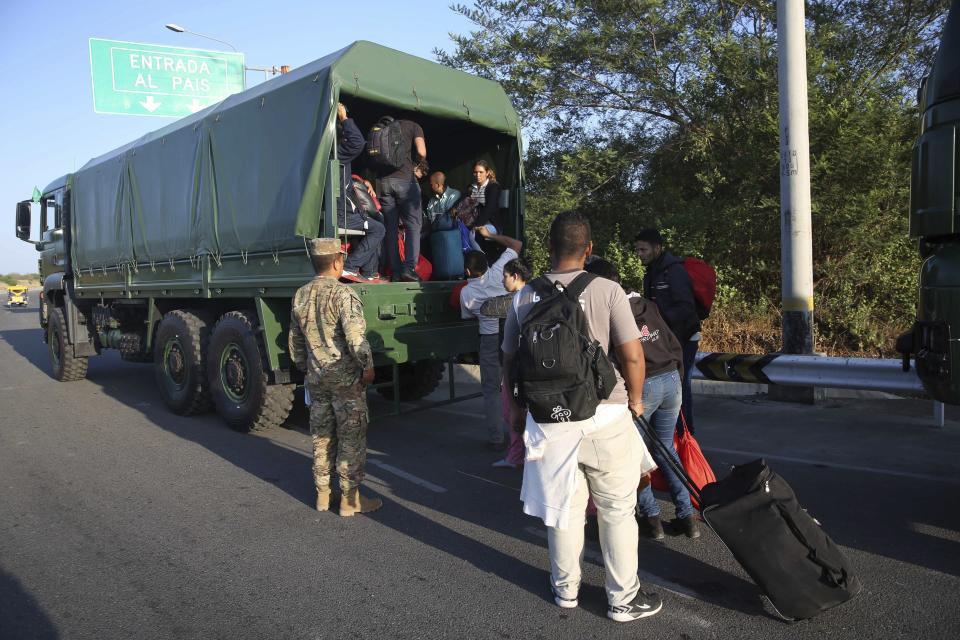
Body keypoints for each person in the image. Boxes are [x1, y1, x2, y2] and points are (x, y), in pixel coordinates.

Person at [502, 212, 662, 623]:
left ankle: (565, 590)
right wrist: (637, 401)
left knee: (564, 509)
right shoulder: (607, 289)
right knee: (616, 510)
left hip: (548, 418)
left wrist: (517, 412)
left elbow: (510, 362)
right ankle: (623, 600)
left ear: (550, 248)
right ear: (588, 250)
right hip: (605, 414)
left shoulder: (524, 296)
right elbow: (632, 354)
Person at [585, 259, 698, 540]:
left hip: (642, 386)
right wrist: (679, 384)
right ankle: (687, 517)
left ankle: (651, 519)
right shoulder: (648, 304)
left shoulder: (611, 310)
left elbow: (618, 357)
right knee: (666, 450)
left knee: (635, 455)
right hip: (671, 379)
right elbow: (673, 343)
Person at [288, 237, 382, 517]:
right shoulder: (344, 295)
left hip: (316, 378)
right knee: (350, 438)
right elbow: (355, 340)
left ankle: (322, 495)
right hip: (345, 381)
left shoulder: (301, 294)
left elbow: (295, 342)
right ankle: (349, 500)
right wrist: (367, 367)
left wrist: (306, 366)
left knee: (321, 436)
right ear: (338, 262)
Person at [460, 227, 522, 451]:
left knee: (491, 390)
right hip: (512, 335)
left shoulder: (465, 293)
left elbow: (467, 317)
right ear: (487, 265)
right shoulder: (499, 273)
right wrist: (490, 236)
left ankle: (496, 439)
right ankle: (523, 436)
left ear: (467, 270)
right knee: (518, 386)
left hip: (489, 340)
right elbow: (516, 245)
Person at [634, 229, 701, 434]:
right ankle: (672, 434)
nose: (639, 254)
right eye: (637, 250)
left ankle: (685, 434)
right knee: (673, 386)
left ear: (657, 248)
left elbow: (686, 308)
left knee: (681, 387)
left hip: (684, 337)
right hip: (668, 337)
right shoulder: (653, 271)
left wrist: (661, 325)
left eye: (643, 249)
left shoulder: (673, 271)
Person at [370, 116, 427, 282]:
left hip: (383, 183)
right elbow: (422, 152)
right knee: (413, 225)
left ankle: (395, 272)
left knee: (391, 229)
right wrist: (413, 166)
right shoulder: (414, 125)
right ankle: (408, 269)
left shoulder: (380, 130)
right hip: (405, 181)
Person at [489, 256, 533, 469]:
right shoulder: (537, 296)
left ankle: (516, 456)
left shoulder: (511, 301)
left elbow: (485, 308)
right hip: (533, 365)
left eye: (505, 276)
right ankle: (528, 455)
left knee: (511, 412)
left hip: (514, 367)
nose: (502, 281)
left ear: (515, 277)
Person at [336, 103, 385, 280]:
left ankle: (371, 273)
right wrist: (344, 118)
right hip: (343, 215)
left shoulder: (331, 155)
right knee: (378, 229)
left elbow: (345, 177)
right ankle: (350, 267)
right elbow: (357, 142)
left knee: (373, 224)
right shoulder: (335, 153)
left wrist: (361, 180)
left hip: (343, 212)